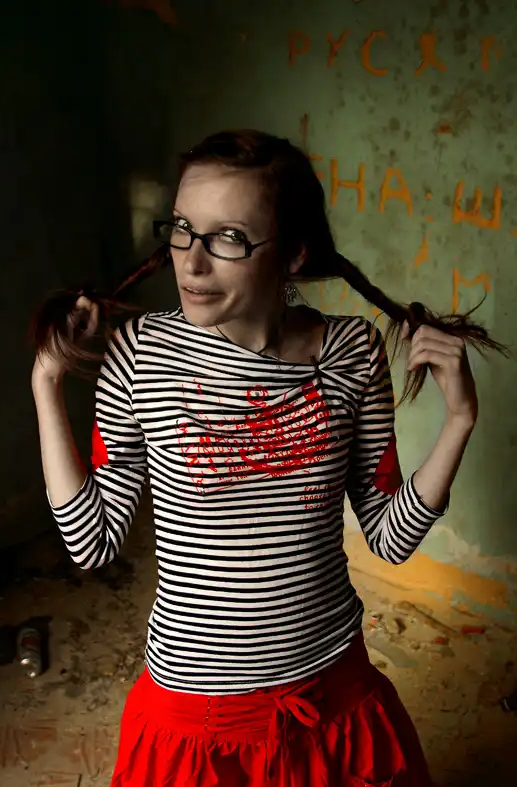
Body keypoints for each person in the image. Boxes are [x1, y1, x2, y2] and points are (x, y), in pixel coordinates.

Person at [31, 130, 505, 787]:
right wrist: (45, 383)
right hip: (199, 719)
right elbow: (92, 543)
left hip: (332, 695)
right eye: (181, 230)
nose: (192, 264)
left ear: (294, 254)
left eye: (228, 237)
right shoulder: (139, 356)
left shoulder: (351, 355)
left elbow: (390, 538)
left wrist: (459, 421)